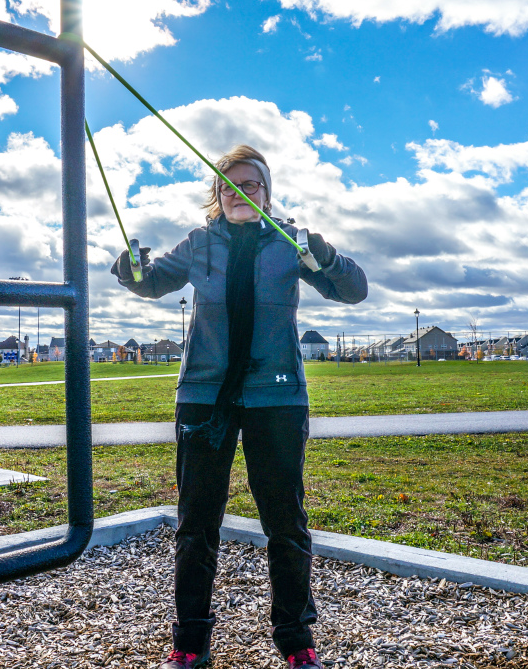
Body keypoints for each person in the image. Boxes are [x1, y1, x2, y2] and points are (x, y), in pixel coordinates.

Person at [112, 145, 367, 669]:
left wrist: (329, 258)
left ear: (267, 192)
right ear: (216, 194)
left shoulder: (291, 241)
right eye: (228, 185)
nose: (239, 192)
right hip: (204, 398)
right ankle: (190, 645)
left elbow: (354, 291)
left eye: (251, 184)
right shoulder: (200, 243)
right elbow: (152, 282)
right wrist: (132, 270)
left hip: (277, 398)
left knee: (286, 523)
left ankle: (297, 644)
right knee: (196, 522)